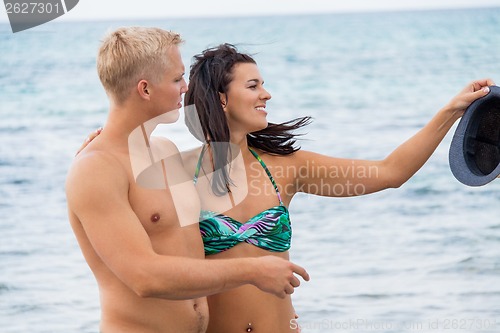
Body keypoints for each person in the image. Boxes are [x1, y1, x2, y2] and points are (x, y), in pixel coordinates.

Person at [180, 43, 495, 332]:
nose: (267, 94)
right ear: (221, 98)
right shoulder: (178, 173)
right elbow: (151, 272)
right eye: (253, 85)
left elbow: (390, 172)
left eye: (263, 84)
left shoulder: (286, 167)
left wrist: (451, 111)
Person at [66, 28, 309, 333]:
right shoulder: (96, 169)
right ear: (145, 89)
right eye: (176, 79)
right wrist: (253, 270)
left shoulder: (165, 152)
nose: (186, 87)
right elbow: (144, 276)